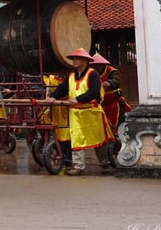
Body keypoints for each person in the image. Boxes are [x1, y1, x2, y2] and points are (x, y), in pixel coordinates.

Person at [44, 48, 114, 176]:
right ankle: (78, 166)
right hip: (76, 112)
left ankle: (105, 163)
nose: (74, 61)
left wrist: (78, 99)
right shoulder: (71, 75)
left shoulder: (93, 74)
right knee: (77, 138)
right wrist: (53, 96)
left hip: (91, 112)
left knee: (98, 138)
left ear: (85, 60)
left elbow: (94, 92)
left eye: (77, 58)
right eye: (73, 59)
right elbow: (63, 88)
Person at [42, 71, 72, 173]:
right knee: (58, 132)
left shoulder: (71, 77)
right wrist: (47, 107)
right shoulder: (51, 78)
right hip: (56, 108)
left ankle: (68, 157)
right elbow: (48, 94)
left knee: (69, 132)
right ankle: (62, 156)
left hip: (68, 106)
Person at [91, 53, 131, 131]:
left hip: (115, 104)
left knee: (120, 125)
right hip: (101, 106)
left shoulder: (111, 71)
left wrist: (109, 83)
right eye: (93, 65)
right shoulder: (91, 73)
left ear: (102, 64)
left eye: (97, 65)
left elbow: (116, 80)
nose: (95, 67)